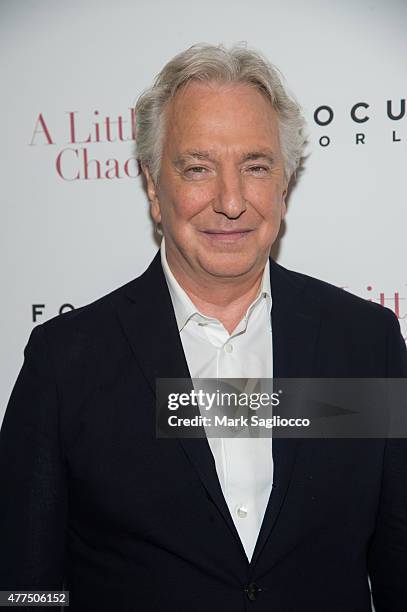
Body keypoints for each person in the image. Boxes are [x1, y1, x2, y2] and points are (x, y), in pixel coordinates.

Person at [0, 43, 406, 612]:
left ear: (284, 185)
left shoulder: (366, 344)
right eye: (197, 168)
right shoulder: (66, 362)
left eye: (255, 167)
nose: (231, 201)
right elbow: (24, 584)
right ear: (152, 187)